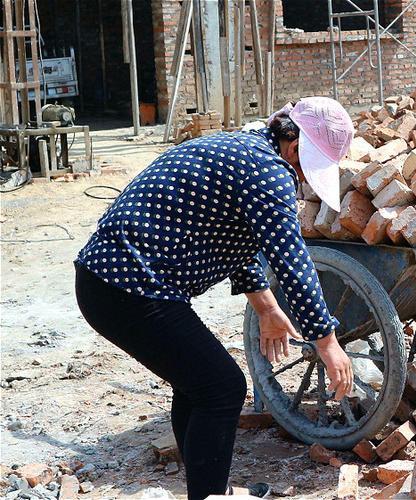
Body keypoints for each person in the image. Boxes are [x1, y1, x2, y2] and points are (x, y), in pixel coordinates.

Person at [74, 97, 356, 499]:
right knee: (221, 387)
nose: (304, 180)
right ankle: (208, 493)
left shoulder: (247, 148)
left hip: (111, 281)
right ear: (294, 148)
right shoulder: (268, 170)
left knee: (198, 383)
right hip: (128, 287)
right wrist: (327, 342)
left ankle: (207, 488)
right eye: (306, 169)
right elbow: (292, 262)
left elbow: (234, 237)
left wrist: (266, 307)